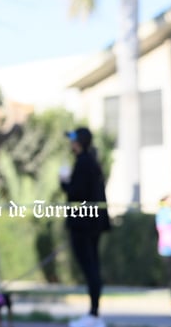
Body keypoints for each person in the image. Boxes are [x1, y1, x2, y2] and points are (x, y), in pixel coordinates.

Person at [60, 127, 111, 327]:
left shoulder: (84, 162)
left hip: (84, 224)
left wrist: (64, 182)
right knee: (92, 267)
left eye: (73, 140)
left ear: (79, 142)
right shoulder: (92, 161)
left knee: (90, 268)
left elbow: (76, 192)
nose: (70, 144)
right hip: (92, 223)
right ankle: (94, 313)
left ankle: (93, 314)